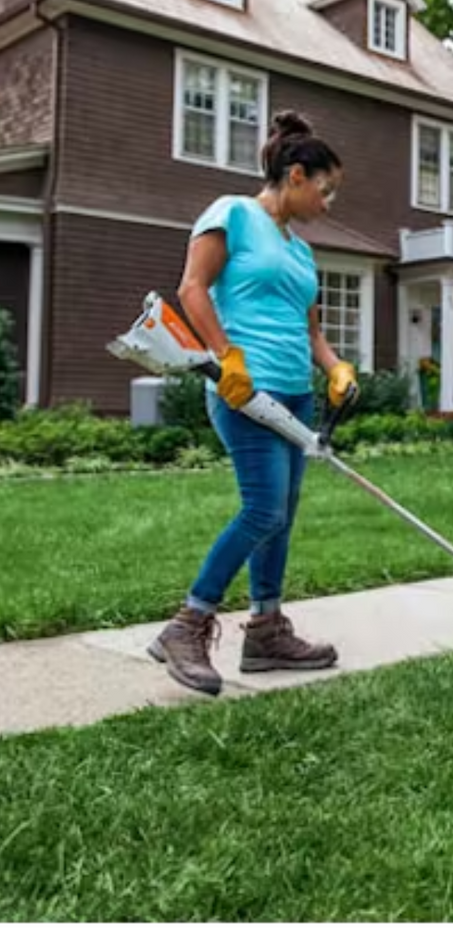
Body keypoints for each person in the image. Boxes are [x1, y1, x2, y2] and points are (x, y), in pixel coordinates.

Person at [148, 110, 359, 697]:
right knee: (263, 509)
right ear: (296, 175)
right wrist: (226, 357)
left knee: (281, 516)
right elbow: (191, 288)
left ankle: (266, 630)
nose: (328, 201)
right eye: (325, 189)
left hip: (293, 393)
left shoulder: (301, 253)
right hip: (245, 390)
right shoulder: (231, 214)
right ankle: (186, 626)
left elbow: (311, 330)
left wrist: (335, 367)